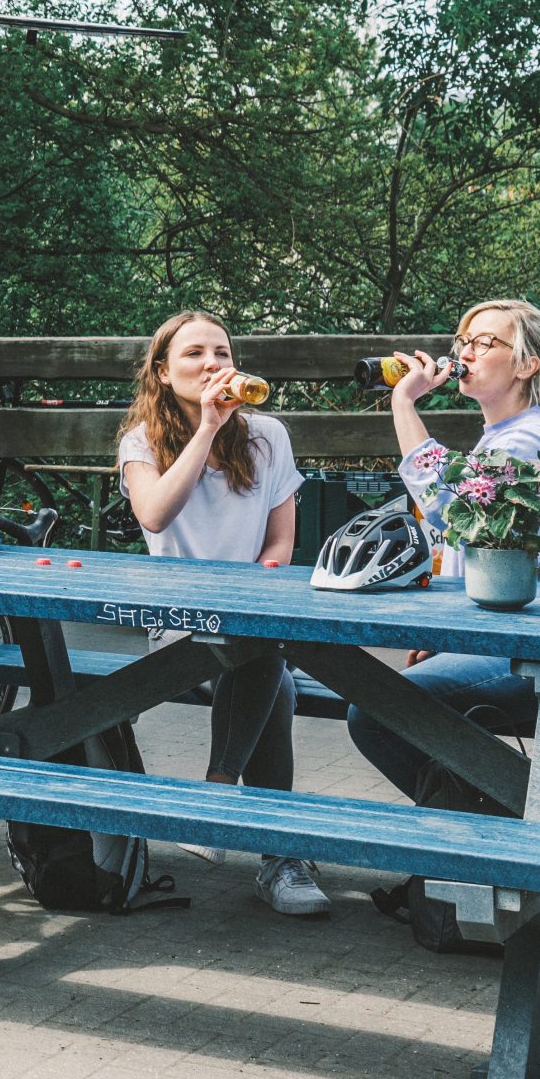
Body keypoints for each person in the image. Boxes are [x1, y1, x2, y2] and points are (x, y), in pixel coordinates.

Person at [345, 298, 540, 807]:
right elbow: (474, 546)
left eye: (485, 342)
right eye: (463, 341)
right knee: (398, 713)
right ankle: (502, 836)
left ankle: (507, 833)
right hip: (518, 640)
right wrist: (449, 639)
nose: (467, 351)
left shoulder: (528, 439)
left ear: (528, 364)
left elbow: (446, 504)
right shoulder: (502, 436)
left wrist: (404, 404)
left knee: (379, 711)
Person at [116, 310, 330, 918]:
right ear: (162, 371)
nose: (213, 364)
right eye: (194, 354)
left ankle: (217, 807)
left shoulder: (268, 435)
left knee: (264, 661)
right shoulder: (141, 442)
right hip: (176, 625)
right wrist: (208, 427)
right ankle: (276, 855)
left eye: (222, 351)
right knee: (273, 677)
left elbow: (281, 547)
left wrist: (253, 592)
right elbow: (154, 514)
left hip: (249, 618)